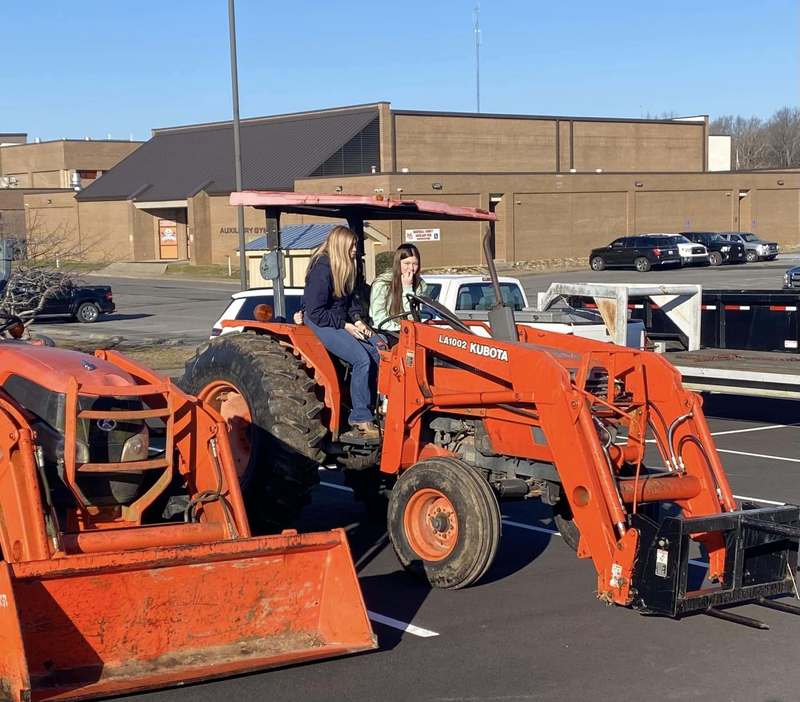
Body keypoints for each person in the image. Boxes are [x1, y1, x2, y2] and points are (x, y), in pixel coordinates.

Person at [303, 226, 382, 441]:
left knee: (378, 350)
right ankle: (359, 417)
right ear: (341, 246)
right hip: (321, 322)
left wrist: (358, 321)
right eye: (352, 246)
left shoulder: (345, 267)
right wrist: (345, 325)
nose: (356, 249)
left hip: (340, 319)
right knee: (361, 359)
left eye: (355, 245)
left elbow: (348, 302)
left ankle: (376, 408)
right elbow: (316, 311)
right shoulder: (322, 269)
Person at [369, 243, 424, 333]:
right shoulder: (382, 284)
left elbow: (413, 317)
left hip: (408, 331)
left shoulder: (419, 284)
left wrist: (408, 288)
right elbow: (378, 318)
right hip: (384, 330)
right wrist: (399, 328)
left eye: (415, 264)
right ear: (398, 264)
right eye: (407, 263)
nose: (411, 268)